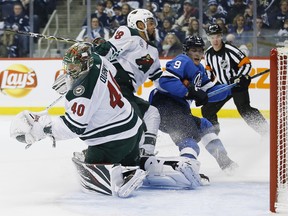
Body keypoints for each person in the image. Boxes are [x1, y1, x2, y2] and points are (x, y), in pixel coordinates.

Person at [10, 42, 146, 198]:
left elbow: (74, 127)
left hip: (114, 141)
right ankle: (132, 166)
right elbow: (113, 70)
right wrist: (71, 82)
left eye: (74, 68)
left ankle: (122, 177)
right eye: (68, 67)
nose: (70, 71)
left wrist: (44, 130)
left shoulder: (82, 94)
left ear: (85, 64)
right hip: (134, 127)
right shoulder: (97, 59)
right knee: (127, 156)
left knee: (89, 166)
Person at [149, 35, 238, 172]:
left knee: (205, 125)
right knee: (188, 137)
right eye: (194, 50)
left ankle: (225, 163)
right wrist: (188, 92)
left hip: (179, 111)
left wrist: (231, 88)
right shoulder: (183, 60)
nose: (198, 54)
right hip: (165, 106)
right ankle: (187, 166)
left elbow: (210, 92)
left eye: (200, 50)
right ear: (186, 51)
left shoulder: (200, 70)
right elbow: (165, 81)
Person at [93, 9, 162, 156]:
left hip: (127, 92)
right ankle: (120, 155)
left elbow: (159, 80)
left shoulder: (154, 51)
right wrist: (102, 47)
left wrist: (182, 90)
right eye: (150, 23)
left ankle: (146, 153)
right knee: (135, 122)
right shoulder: (128, 32)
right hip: (116, 86)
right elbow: (107, 51)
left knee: (152, 113)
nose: (153, 27)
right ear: (139, 24)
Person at [202, 24, 268, 136]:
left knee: (244, 109)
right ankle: (213, 135)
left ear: (221, 36)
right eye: (212, 37)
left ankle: (266, 132)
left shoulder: (230, 50)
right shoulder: (208, 53)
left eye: (217, 36)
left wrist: (240, 76)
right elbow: (209, 72)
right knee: (207, 109)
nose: (215, 40)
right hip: (222, 86)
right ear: (208, 38)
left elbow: (246, 64)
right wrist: (205, 86)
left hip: (237, 84)